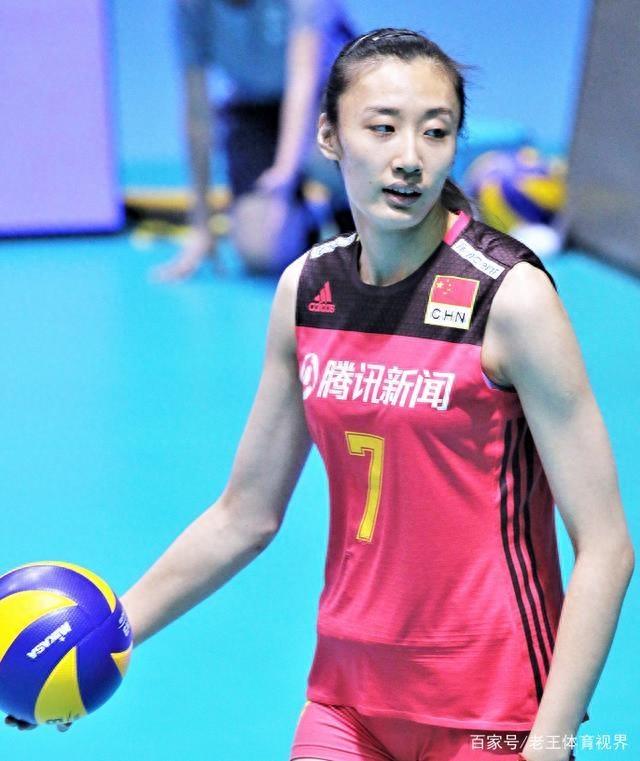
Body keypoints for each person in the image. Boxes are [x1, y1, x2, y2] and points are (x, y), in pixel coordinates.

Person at [6, 28, 635, 761]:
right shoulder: (308, 292)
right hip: (349, 697)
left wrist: (548, 741)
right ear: (329, 136)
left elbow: (606, 545)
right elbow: (245, 514)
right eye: (383, 127)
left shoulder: (510, 299)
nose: (410, 157)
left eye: (435, 131)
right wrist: (100, 640)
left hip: (492, 705)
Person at [154, 0, 354, 280]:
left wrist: (284, 175)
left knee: (324, 156)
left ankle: (351, 211)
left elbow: (303, 80)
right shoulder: (191, 5)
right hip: (253, 108)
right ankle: (306, 217)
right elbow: (197, 114)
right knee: (260, 252)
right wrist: (201, 226)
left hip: (328, 95)